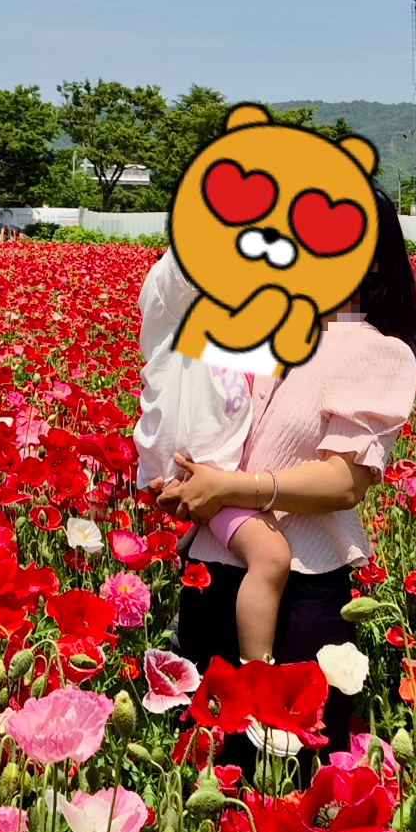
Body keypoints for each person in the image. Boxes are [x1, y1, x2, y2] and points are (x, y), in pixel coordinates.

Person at [147, 196, 416, 755]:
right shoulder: (258, 327)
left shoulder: (378, 351)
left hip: (304, 582)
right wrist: (179, 478)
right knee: (209, 756)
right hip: (211, 566)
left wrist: (232, 488)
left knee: (293, 758)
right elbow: (198, 412)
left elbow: (346, 482)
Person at [132, 249, 291, 670]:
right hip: (192, 469)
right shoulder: (174, 305)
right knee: (271, 557)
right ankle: (257, 673)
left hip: (214, 472)